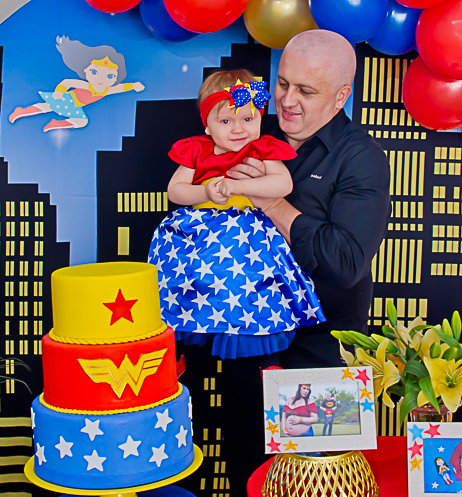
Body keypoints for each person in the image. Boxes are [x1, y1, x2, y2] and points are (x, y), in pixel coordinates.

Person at [226, 29, 392, 368]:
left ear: (341, 96)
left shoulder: (361, 157)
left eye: (305, 91)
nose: (287, 101)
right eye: (283, 84)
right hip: (247, 338)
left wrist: (272, 204)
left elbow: (345, 264)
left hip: (322, 350)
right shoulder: (250, 132)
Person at [147, 70, 323, 359]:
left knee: (247, 286)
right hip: (199, 236)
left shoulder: (262, 149)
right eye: (226, 121)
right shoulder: (197, 150)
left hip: (246, 236)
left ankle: (245, 332)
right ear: (207, 126)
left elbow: (283, 184)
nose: (238, 129)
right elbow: (175, 191)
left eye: (248, 119)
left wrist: (240, 187)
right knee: (191, 284)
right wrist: (205, 192)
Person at [9, 37, 144, 131]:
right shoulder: (88, 86)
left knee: (82, 121)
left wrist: (133, 86)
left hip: (76, 106)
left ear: (115, 79)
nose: (101, 79)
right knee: (47, 106)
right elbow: (67, 82)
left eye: (110, 76)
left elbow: (121, 88)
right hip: (68, 99)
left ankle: (56, 124)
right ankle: (22, 111)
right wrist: (59, 92)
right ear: (85, 71)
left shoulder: (107, 90)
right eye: (94, 72)